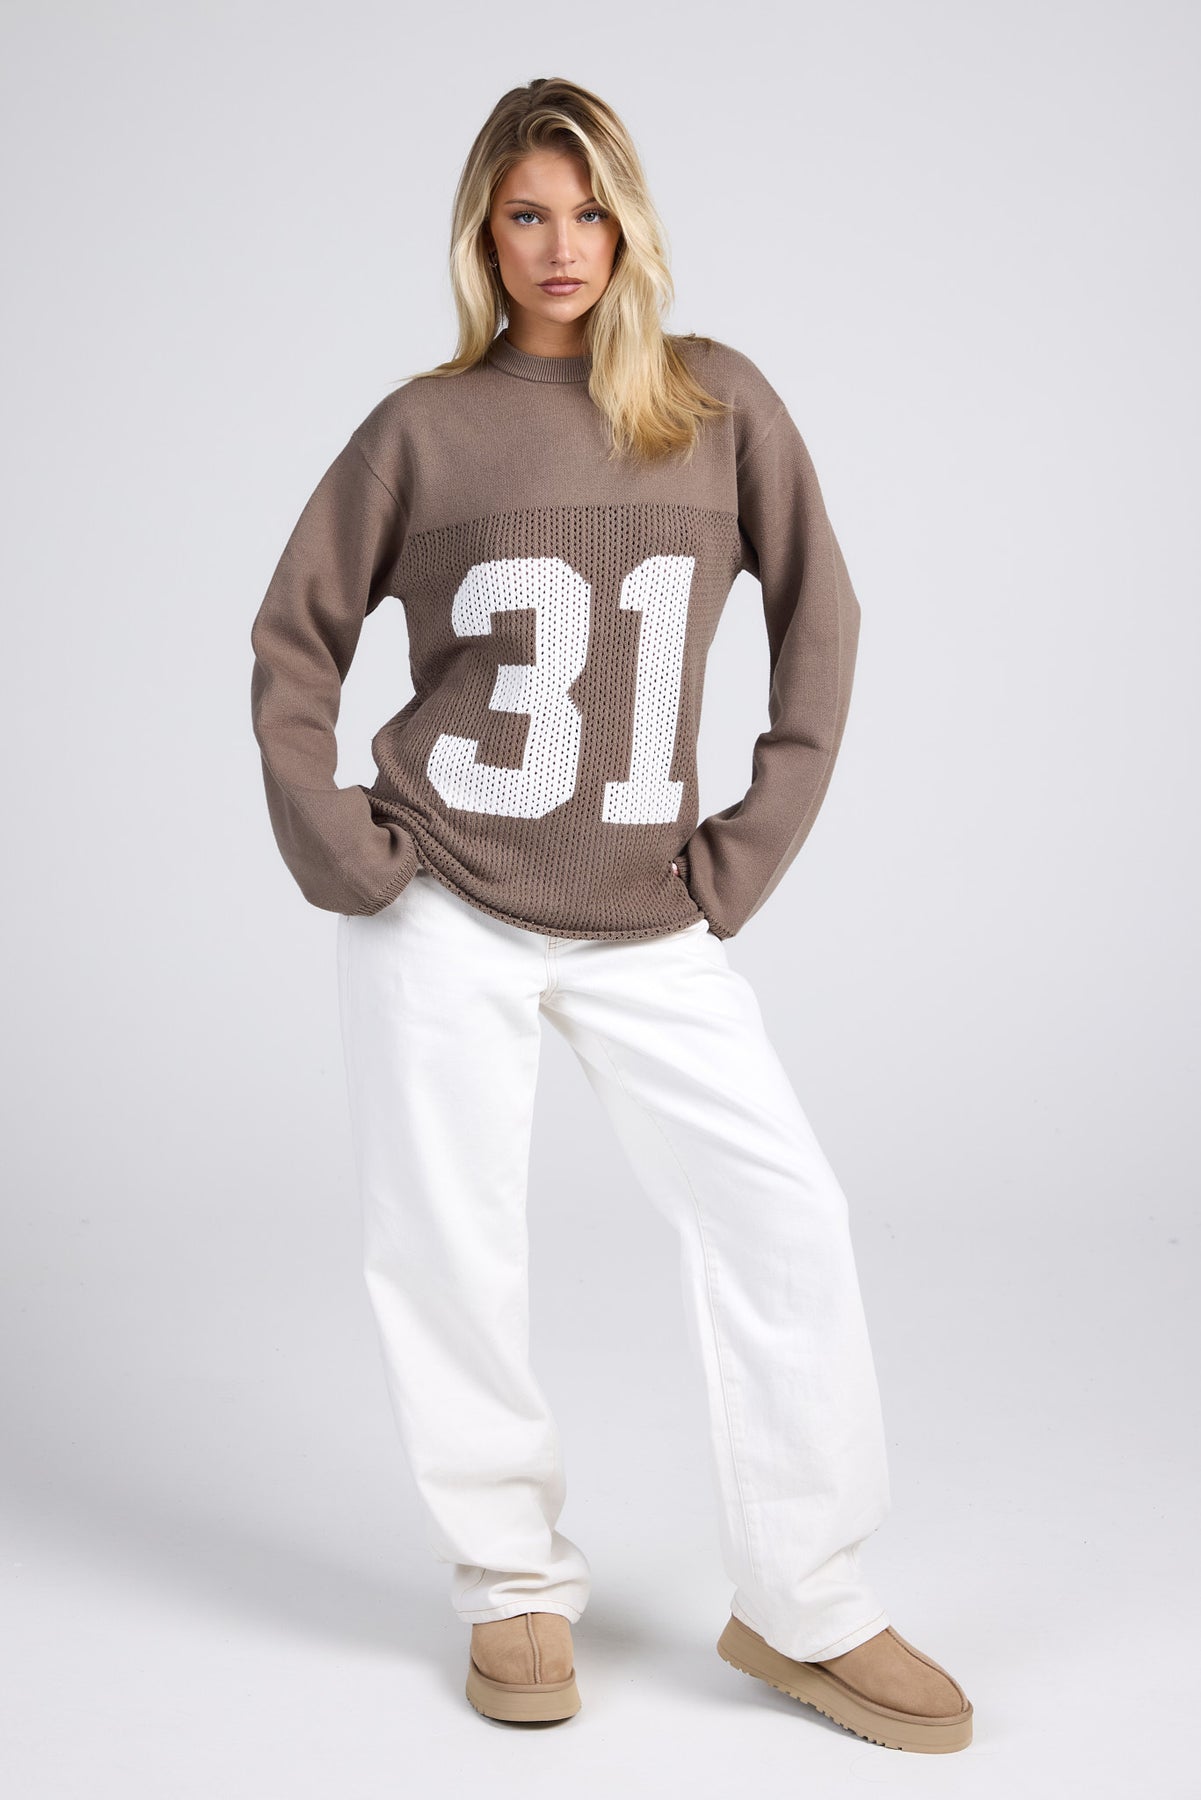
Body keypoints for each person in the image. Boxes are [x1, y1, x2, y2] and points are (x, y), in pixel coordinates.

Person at [248, 76, 973, 1753]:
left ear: (630, 225)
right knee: (447, 1244)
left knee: (784, 1213)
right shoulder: (420, 430)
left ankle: (805, 1597)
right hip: (443, 901)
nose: (560, 246)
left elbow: (822, 619)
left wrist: (744, 851)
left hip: (645, 918)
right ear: (482, 236)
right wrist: (347, 849)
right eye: (526, 214)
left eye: (588, 212)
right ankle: (509, 1581)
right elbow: (294, 640)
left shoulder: (716, 405)